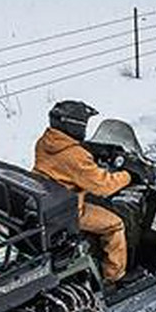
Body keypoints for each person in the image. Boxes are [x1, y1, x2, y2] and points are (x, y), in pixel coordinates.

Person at [33, 101, 131, 283]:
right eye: (84, 125)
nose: (85, 129)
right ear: (74, 126)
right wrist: (128, 176)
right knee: (115, 225)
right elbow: (104, 185)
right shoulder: (75, 156)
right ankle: (114, 275)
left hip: (48, 201)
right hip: (70, 212)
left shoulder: (45, 142)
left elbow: (67, 163)